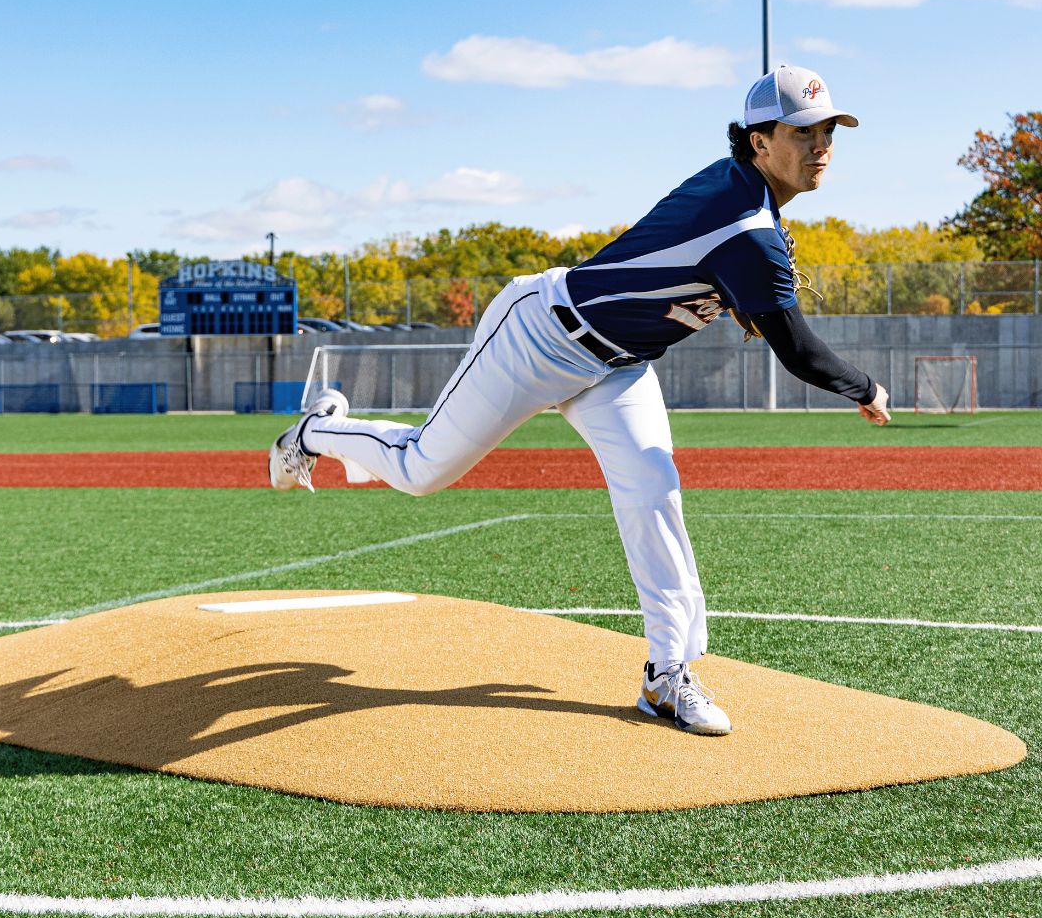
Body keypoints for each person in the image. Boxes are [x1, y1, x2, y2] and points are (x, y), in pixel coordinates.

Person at [268, 64, 890, 737]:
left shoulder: (745, 197)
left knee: (653, 487)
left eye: (828, 128)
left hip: (618, 365)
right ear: (760, 141)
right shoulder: (747, 228)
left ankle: (666, 676)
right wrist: (866, 388)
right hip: (539, 335)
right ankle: (313, 432)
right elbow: (798, 352)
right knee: (422, 470)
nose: (821, 141)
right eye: (803, 129)